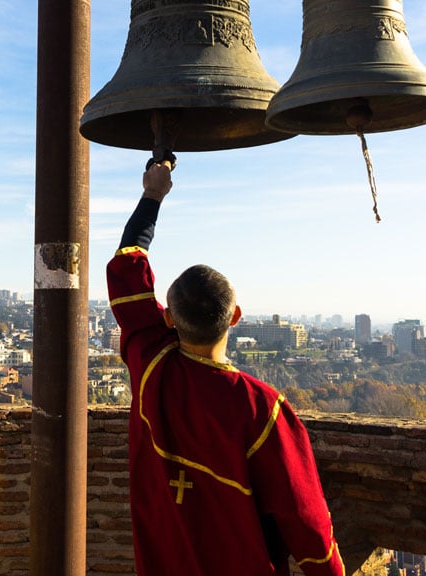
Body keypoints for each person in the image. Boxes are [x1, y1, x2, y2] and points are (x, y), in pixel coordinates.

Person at [107, 161, 344, 576]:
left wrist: (153, 194)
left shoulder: (151, 363)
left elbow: (128, 268)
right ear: (235, 316)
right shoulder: (261, 409)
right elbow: (306, 520)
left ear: (169, 318)